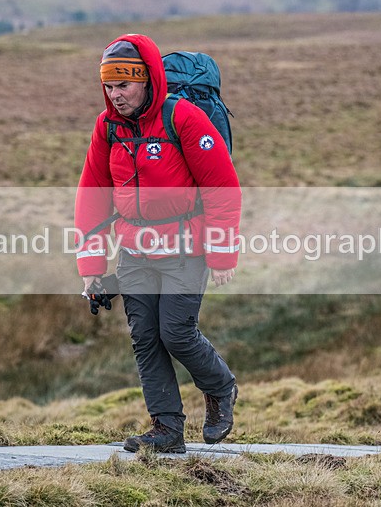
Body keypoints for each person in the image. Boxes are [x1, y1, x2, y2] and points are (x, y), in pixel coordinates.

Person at [74, 34, 241, 453]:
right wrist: (93, 270)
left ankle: (221, 389)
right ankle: (166, 431)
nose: (116, 96)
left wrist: (221, 254)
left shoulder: (183, 118)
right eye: (109, 87)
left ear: (147, 80)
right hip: (134, 251)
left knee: (177, 333)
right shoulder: (107, 126)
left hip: (186, 249)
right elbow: (92, 193)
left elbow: (221, 186)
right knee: (145, 336)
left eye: (124, 86)